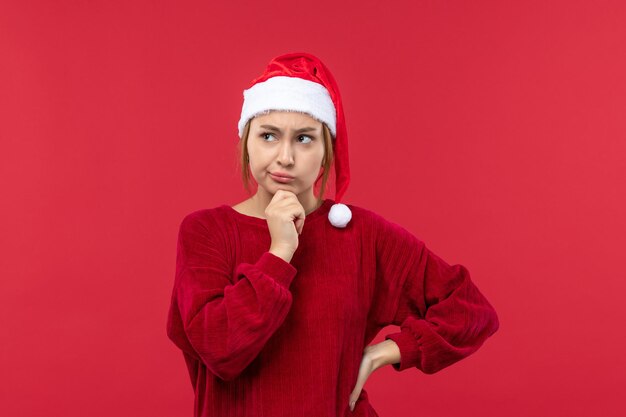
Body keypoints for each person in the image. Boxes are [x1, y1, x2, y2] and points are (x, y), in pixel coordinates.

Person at [166, 52, 499, 417]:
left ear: (328, 152)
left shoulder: (363, 235)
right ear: (246, 141)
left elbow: (470, 311)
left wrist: (386, 351)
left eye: (305, 139)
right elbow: (219, 349)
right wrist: (279, 253)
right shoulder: (206, 232)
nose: (285, 157)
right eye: (268, 136)